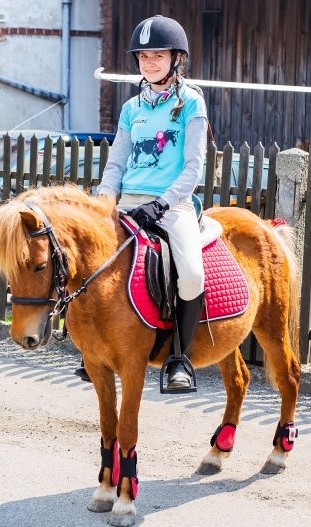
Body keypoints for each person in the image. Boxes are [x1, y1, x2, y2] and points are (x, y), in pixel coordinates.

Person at [75, 15, 207, 391]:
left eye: (158, 55)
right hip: (127, 201)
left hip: (173, 204)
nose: (150, 63)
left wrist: (162, 205)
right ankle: (91, 347)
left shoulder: (191, 103)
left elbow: (193, 168)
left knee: (192, 273)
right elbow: (116, 163)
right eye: (144, 56)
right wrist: (104, 200)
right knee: (84, 260)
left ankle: (179, 358)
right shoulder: (132, 108)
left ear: (175, 59)